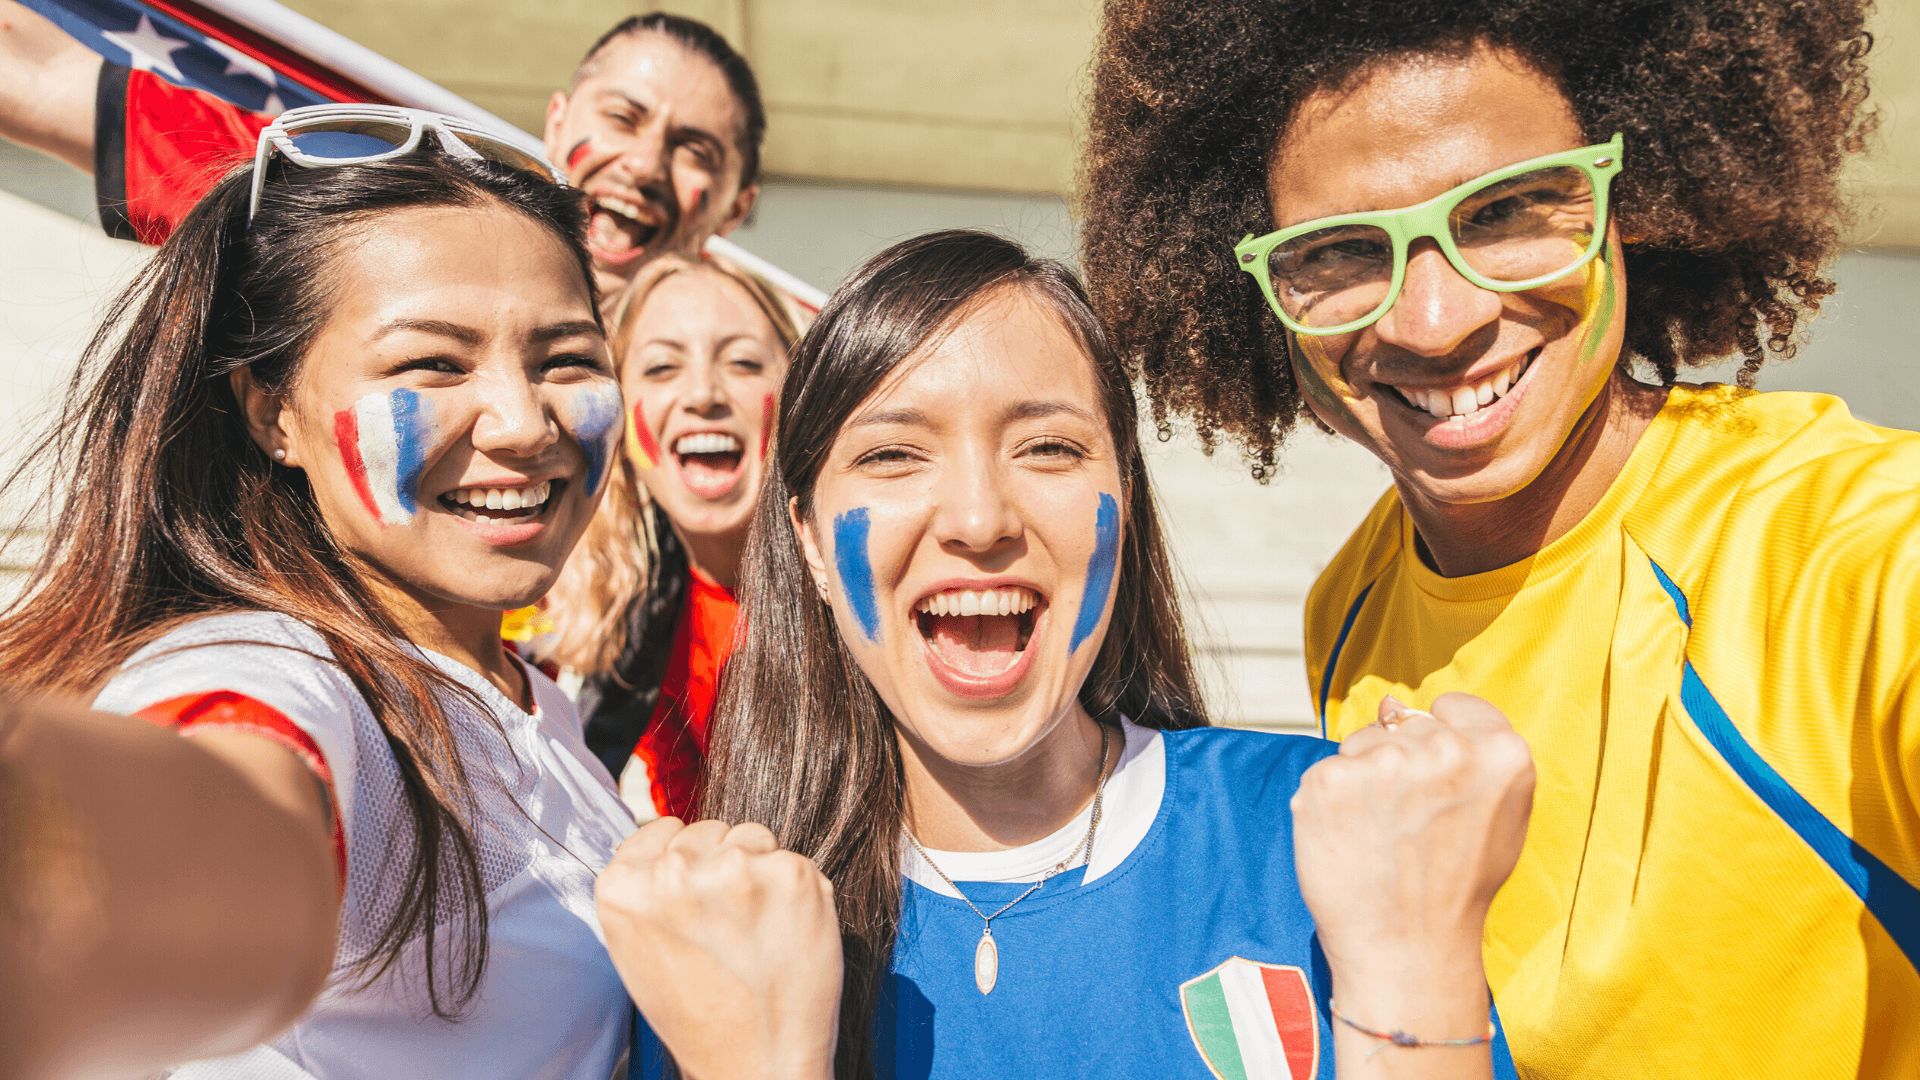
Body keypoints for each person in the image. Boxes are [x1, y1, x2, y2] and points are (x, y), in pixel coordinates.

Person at [1081, 1, 1917, 1076]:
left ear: (1637, 200)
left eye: (1506, 211)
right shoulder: (1349, 607)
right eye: (1338, 251)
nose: (1433, 320)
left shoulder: (1852, 550)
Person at [593, 230, 1535, 1080]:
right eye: (892, 456)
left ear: (1124, 503)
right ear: (805, 535)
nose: (978, 519)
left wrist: (1419, 978)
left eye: (1046, 447)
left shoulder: (1317, 835)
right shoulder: (717, 937)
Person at [0, 114, 636, 1077]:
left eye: (567, 358)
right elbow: (203, 840)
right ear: (272, 412)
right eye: (433, 363)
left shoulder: (524, 694)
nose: (522, 421)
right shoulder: (279, 672)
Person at [0, 3, 762, 299]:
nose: (644, 163)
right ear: (557, 121)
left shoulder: (755, 411)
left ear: (738, 207)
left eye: (694, 149)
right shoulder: (387, 223)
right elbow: (37, 74)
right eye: (623, 116)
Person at [543, 252, 799, 817]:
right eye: (661, 368)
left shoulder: (857, 598)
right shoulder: (638, 622)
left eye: (743, 363)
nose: (703, 393)